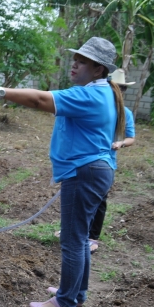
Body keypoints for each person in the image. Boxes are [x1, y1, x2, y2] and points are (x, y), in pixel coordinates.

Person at [0, 37, 126, 307]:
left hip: (85, 172)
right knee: (81, 237)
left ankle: (64, 302)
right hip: (95, 170)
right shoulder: (103, 93)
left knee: (72, 239)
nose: (74, 64)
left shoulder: (90, 96)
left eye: (82, 62)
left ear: (99, 69)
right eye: (75, 59)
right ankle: (76, 293)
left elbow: (40, 99)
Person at [52, 69, 136, 254]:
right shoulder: (96, 104)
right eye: (117, 87)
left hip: (102, 163)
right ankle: (71, 231)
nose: (119, 91)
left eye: (122, 88)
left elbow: (131, 137)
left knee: (98, 202)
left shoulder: (124, 113)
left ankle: (92, 237)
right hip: (82, 162)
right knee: (75, 200)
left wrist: (121, 143)